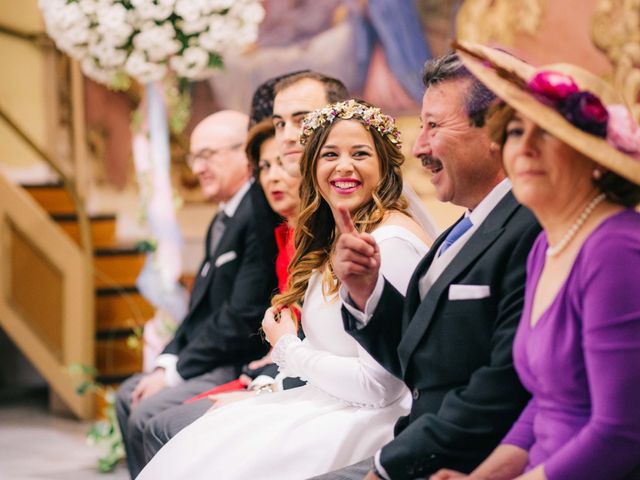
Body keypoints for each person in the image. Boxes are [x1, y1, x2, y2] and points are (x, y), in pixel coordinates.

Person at [137, 99, 431, 480]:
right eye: (329, 154)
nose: (343, 165)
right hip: (327, 400)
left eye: (360, 153)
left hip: (369, 420)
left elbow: (380, 388)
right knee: (195, 444)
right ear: (312, 168)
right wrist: (270, 386)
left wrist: (289, 347)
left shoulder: (387, 243)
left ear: (385, 167)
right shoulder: (339, 236)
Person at [318, 52, 542, 480]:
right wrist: (367, 291)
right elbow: (422, 359)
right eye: (421, 127)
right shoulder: (465, 226)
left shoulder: (530, 227)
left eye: (433, 126)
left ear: (496, 129)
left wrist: (389, 465)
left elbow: (503, 385)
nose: (418, 147)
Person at [429, 42, 640, 480]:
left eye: (546, 132)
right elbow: (545, 404)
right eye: (515, 131)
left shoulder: (617, 248)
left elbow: (621, 433)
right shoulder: (549, 244)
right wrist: (481, 478)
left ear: (593, 156)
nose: (524, 148)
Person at [115, 110, 278, 478]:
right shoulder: (222, 217)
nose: (198, 167)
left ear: (245, 154)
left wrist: (176, 373)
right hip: (212, 355)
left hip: (239, 357)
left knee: (147, 411)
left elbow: (241, 317)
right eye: (194, 157)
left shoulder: (259, 213)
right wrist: (166, 362)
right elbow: (198, 310)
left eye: (209, 155)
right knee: (130, 394)